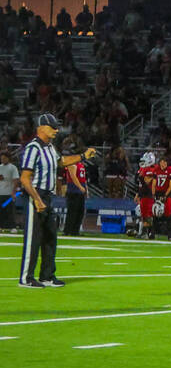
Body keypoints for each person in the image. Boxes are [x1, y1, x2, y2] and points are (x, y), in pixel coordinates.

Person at [17, 114, 96, 286]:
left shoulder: (50, 147)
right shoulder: (33, 148)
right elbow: (25, 178)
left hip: (48, 196)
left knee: (50, 237)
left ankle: (46, 275)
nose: (56, 130)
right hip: (35, 195)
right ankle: (26, 278)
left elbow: (62, 162)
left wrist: (83, 156)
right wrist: (37, 199)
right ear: (42, 127)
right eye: (53, 127)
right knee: (33, 239)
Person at [61, 142, 88, 236]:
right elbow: (73, 177)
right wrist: (80, 187)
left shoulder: (81, 164)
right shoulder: (72, 163)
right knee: (72, 211)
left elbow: (83, 178)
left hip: (80, 191)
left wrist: (86, 189)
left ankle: (75, 230)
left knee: (80, 212)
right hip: (73, 191)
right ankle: (67, 230)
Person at [150, 155, 171, 240]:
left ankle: (170, 235)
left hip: (166, 193)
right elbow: (153, 184)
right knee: (154, 214)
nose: (163, 163)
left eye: (165, 162)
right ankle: (152, 233)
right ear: (159, 162)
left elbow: (170, 186)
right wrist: (154, 195)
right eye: (162, 161)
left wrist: (165, 196)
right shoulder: (156, 170)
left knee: (168, 214)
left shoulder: (170, 170)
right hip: (157, 193)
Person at [0, 151, 18, 231]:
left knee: (10, 210)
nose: (2, 160)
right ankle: (1, 226)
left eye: (4, 158)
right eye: (1, 158)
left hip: (9, 194)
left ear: (8, 158)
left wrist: (13, 192)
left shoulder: (13, 168)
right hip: (1, 193)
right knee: (1, 211)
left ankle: (12, 227)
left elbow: (16, 180)